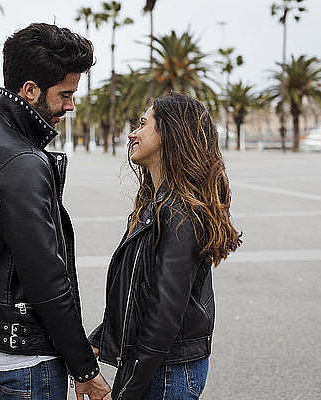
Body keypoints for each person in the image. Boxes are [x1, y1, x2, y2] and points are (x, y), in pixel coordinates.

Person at [0, 23, 110, 400]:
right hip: (26, 357)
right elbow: (46, 277)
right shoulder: (20, 160)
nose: (70, 105)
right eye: (64, 94)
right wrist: (84, 368)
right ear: (29, 89)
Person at [88, 93, 242, 399]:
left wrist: (127, 390)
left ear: (170, 133)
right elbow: (138, 292)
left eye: (144, 124)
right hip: (159, 364)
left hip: (169, 370)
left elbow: (164, 316)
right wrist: (97, 340)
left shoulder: (178, 212)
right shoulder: (156, 204)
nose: (133, 132)